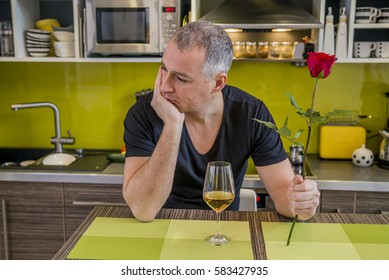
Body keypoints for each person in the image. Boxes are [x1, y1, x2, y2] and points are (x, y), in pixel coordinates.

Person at [122, 20, 320, 222]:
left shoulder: (251, 113)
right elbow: (143, 210)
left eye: (181, 78)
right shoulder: (143, 113)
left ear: (217, 83)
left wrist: (298, 201)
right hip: (161, 228)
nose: (164, 87)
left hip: (223, 231)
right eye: (164, 69)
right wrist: (172, 126)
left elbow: (282, 193)